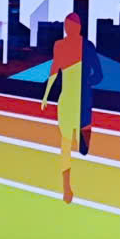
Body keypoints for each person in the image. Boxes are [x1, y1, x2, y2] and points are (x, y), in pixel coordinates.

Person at [41, 12, 104, 203]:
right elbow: (54, 71)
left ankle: (73, 180)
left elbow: (98, 74)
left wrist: (84, 83)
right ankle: (66, 187)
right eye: (66, 27)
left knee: (80, 146)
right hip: (70, 101)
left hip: (78, 100)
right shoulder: (62, 46)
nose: (68, 30)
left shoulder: (85, 47)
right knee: (66, 143)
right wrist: (46, 95)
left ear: (77, 28)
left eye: (70, 26)